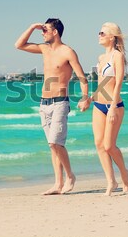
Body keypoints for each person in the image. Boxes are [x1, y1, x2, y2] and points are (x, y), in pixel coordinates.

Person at [15, 18, 91, 195]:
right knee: (52, 145)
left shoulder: (68, 52)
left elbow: (82, 77)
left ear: (55, 32)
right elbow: (19, 45)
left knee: (55, 141)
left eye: (45, 30)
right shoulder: (43, 49)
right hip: (44, 103)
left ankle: (70, 176)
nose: (42, 33)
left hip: (60, 102)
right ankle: (58, 183)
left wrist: (85, 97)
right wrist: (33, 26)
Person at [92, 22, 128, 196]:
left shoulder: (117, 56)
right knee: (99, 144)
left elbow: (118, 83)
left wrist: (114, 107)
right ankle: (111, 181)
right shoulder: (101, 58)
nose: (99, 35)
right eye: (99, 32)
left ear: (112, 37)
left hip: (113, 105)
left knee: (109, 146)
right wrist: (90, 99)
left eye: (102, 33)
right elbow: (102, 83)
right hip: (98, 105)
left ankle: (124, 173)